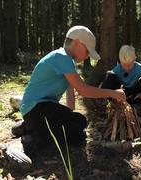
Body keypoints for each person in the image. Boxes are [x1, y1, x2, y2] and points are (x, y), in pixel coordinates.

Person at [10, 26, 126, 161]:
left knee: (77, 130)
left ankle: (32, 127)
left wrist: (69, 116)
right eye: (87, 51)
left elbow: (70, 91)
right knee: (79, 124)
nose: (87, 55)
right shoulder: (61, 57)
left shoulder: (66, 61)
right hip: (36, 108)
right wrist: (113, 93)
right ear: (77, 43)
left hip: (40, 109)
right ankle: (36, 137)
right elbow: (83, 89)